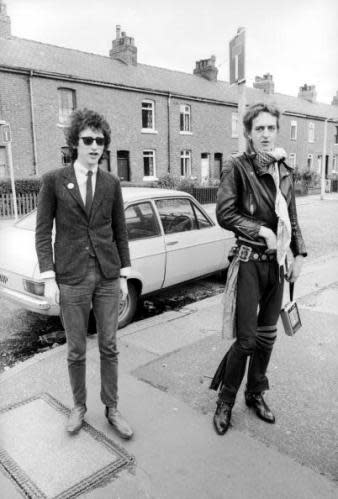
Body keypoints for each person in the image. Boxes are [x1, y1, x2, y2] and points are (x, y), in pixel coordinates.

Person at [35, 108, 133, 439]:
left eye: (100, 141)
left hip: (107, 275)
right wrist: (48, 277)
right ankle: (78, 406)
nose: (94, 146)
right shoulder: (53, 181)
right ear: (75, 142)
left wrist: (122, 276)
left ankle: (112, 407)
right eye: (87, 140)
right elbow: (42, 232)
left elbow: (120, 230)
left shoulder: (111, 183)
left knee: (110, 345)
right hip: (71, 278)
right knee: (76, 348)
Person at [210, 102, 307, 435]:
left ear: (276, 131)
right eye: (259, 129)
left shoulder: (284, 169)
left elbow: (291, 218)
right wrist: (260, 230)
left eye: (271, 128)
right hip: (249, 262)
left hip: (277, 265)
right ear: (249, 134)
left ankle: (255, 393)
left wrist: (298, 255)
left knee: (267, 337)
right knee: (247, 340)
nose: (266, 134)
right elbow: (224, 213)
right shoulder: (237, 167)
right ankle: (225, 399)